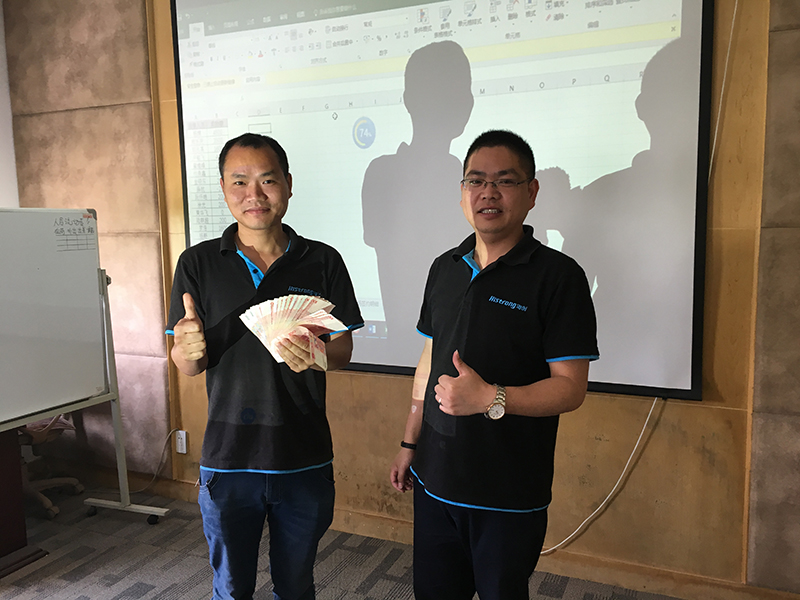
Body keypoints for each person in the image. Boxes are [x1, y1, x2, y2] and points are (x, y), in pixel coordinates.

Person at [389, 130, 599, 600]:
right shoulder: (444, 267)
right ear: (462, 191)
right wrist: (409, 442)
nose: (488, 193)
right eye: (476, 181)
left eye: (505, 181)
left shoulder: (559, 277)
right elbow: (428, 363)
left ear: (531, 192)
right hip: (435, 479)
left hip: (507, 491)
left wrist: (490, 398)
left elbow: (570, 387)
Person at [166, 133, 364, 600]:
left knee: (296, 584)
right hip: (229, 457)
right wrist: (186, 350)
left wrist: (319, 356)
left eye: (267, 180)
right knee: (231, 587)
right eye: (239, 181)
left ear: (288, 185)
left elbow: (343, 348)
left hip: (304, 453)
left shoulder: (323, 260)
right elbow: (188, 364)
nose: (254, 194)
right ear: (223, 188)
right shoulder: (197, 263)